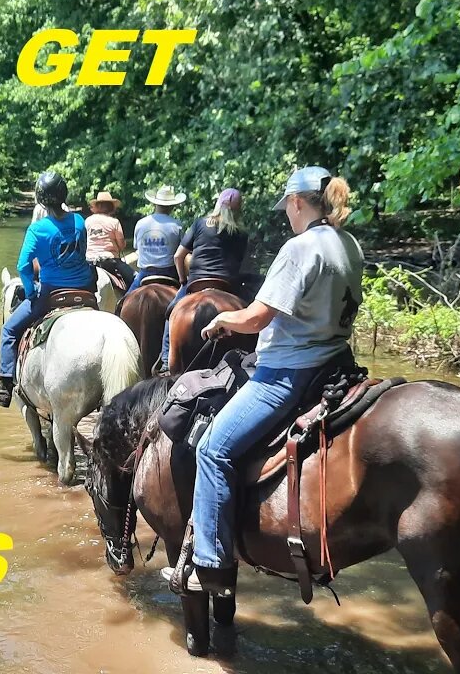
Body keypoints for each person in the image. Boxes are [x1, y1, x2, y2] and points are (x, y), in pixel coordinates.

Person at [161, 166, 363, 596]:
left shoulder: (300, 247)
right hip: (337, 363)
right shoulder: (349, 244)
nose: (286, 216)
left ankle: (210, 565)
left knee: (214, 448)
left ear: (296, 202)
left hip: (288, 371)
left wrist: (223, 318)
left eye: (287, 208)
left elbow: (256, 318)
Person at [0, 172, 96, 407]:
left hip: (52, 293)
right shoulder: (79, 221)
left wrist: (31, 292)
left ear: (41, 200)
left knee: (9, 331)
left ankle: (5, 386)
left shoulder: (38, 229)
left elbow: (23, 266)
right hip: (85, 289)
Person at [159, 187, 249, 372]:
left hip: (196, 282)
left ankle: (166, 362)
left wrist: (183, 280)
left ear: (217, 204)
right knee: (249, 311)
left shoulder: (200, 224)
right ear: (239, 209)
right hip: (227, 285)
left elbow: (178, 256)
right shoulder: (241, 231)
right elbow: (239, 263)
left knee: (171, 313)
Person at [124, 184, 186, 295]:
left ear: (154, 204)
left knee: (123, 303)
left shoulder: (140, 224)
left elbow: (137, 248)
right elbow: (183, 252)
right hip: (169, 272)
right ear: (172, 206)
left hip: (145, 273)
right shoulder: (177, 225)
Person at [84, 191, 136, 288]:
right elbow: (121, 244)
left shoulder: (88, 221)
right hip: (109, 261)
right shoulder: (114, 222)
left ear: (97, 206)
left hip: (89, 261)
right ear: (111, 206)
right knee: (135, 280)